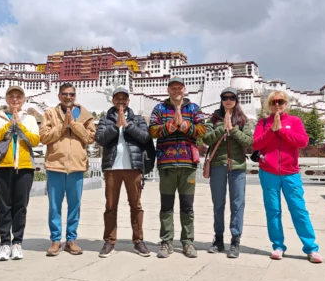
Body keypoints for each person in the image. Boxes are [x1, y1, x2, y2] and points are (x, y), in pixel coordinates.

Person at [252, 90, 323, 263]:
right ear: (269, 105)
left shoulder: (294, 121)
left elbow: (303, 141)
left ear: (286, 104)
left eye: (280, 102)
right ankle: (277, 246)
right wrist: (272, 131)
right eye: (274, 102)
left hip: (291, 173)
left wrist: (281, 131)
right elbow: (256, 143)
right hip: (268, 172)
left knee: (299, 210)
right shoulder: (263, 123)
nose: (277, 105)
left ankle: (311, 248)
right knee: (273, 210)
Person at [149, 76, 206, 259]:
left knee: (187, 206)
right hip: (166, 164)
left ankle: (188, 241)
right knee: (166, 206)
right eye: (173, 88)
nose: (176, 91)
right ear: (168, 90)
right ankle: (166, 241)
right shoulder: (159, 108)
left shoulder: (194, 108)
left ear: (184, 89)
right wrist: (171, 126)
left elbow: (203, 131)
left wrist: (184, 125)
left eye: (179, 88)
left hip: (188, 163)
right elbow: (152, 130)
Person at [39, 83, 96, 256]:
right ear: (59, 96)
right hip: (55, 165)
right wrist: (63, 126)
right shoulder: (50, 113)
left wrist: (74, 125)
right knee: (54, 206)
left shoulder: (85, 115)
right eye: (65, 94)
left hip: (77, 166)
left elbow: (90, 138)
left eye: (71, 94)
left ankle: (71, 239)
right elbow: (44, 137)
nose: (68, 97)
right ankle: (55, 240)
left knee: (74, 205)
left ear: (75, 95)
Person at [95, 87, 151, 258]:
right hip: (112, 169)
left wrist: (127, 126)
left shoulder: (138, 119)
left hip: (133, 168)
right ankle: (110, 241)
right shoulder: (105, 120)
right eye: (117, 98)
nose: (121, 101)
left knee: (136, 205)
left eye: (124, 98)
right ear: (113, 100)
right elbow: (100, 139)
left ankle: (138, 240)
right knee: (110, 206)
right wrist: (116, 127)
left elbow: (145, 137)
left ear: (128, 100)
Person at [0, 85, 40, 261]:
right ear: (7, 99)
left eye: (19, 96)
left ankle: (17, 242)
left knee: (20, 207)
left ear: (24, 99)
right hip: (3, 166)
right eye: (12, 96)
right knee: (4, 207)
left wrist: (21, 128)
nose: (15, 100)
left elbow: (35, 140)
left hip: (25, 167)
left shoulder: (30, 119)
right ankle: (4, 243)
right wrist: (8, 127)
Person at [202, 87, 253, 258]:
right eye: (225, 98)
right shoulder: (214, 118)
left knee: (237, 204)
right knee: (218, 203)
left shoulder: (243, 120)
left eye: (232, 98)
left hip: (237, 167)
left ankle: (235, 239)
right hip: (218, 165)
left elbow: (249, 142)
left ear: (236, 100)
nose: (228, 100)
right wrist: (222, 129)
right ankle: (218, 239)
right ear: (221, 100)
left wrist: (233, 129)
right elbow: (206, 139)